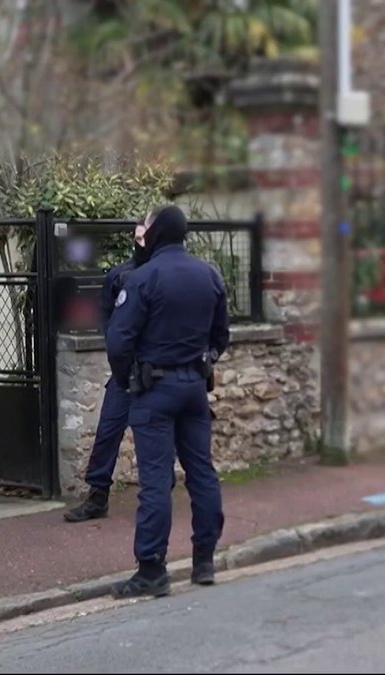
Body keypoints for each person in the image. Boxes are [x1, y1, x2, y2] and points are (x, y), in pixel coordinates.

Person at [105, 205, 230, 599]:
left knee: (157, 480)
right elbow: (221, 335)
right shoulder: (209, 274)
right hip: (194, 387)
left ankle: (152, 569)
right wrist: (204, 359)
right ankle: (204, 560)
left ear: (156, 232)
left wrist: (126, 379)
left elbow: (118, 341)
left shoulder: (143, 278)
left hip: (154, 389)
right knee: (201, 472)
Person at [62, 221, 150, 523]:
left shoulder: (164, 275)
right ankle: (97, 496)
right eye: (137, 237)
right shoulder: (120, 275)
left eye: (146, 237)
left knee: (157, 437)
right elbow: (107, 319)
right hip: (126, 372)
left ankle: (159, 495)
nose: (141, 243)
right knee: (107, 433)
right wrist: (119, 356)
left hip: (157, 370)